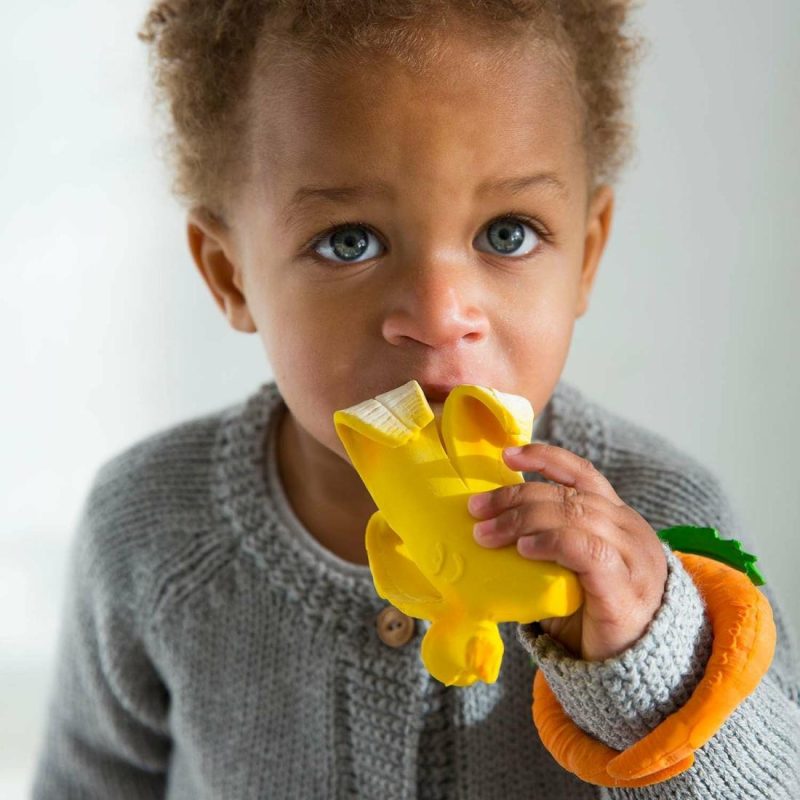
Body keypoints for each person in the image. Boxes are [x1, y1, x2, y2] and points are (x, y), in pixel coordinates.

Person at [32, 1, 800, 797]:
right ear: (231, 275)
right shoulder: (150, 527)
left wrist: (650, 660)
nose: (439, 315)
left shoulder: (665, 522)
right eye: (349, 241)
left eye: (507, 233)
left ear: (586, 255)